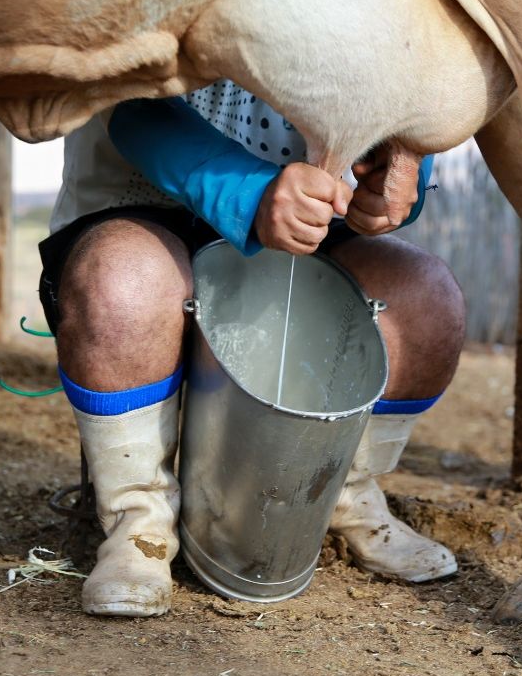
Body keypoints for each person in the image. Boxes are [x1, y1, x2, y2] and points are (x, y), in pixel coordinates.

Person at [40, 80, 467, 617]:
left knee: (424, 298)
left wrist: (402, 165)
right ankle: (137, 520)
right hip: (137, 205)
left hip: (307, 220)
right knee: (120, 282)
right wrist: (252, 191)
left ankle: (342, 492)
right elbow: (131, 108)